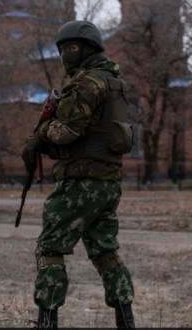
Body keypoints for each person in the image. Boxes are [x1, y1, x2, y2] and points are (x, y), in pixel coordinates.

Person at [21, 20, 136, 329]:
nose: (65, 55)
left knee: (50, 250)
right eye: (61, 49)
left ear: (88, 49)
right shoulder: (115, 83)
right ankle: (126, 322)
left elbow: (67, 132)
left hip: (80, 183)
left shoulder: (85, 82)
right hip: (108, 183)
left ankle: (47, 322)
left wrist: (42, 131)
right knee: (105, 252)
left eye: (71, 48)